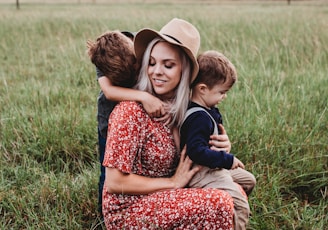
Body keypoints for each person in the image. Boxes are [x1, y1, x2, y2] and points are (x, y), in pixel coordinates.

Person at [102, 18, 234, 229]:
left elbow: (196, 150)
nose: (156, 72)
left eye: (168, 65)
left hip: (167, 197)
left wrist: (221, 146)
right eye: (152, 63)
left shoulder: (184, 111)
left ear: (185, 71)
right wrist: (172, 183)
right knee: (220, 203)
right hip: (131, 209)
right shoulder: (130, 111)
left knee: (235, 189)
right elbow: (116, 182)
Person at [87, 30, 166, 216]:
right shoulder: (103, 56)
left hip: (139, 119)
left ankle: (140, 198)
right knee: (108, 169)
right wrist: (143, 97)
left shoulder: (135, 45)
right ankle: (104, 214)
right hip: (109, 119)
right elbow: (108, 91)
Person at [180, 50, 256, 230]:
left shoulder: (206, 109)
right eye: (222, 92)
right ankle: (237, 215)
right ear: (203, 89)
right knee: (241, 204)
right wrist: (228, 160)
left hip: (213, 169)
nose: (225, 96)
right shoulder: (198, 118)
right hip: (202, 174)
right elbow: (196, 151)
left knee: (248, 180)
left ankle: (227, 218)